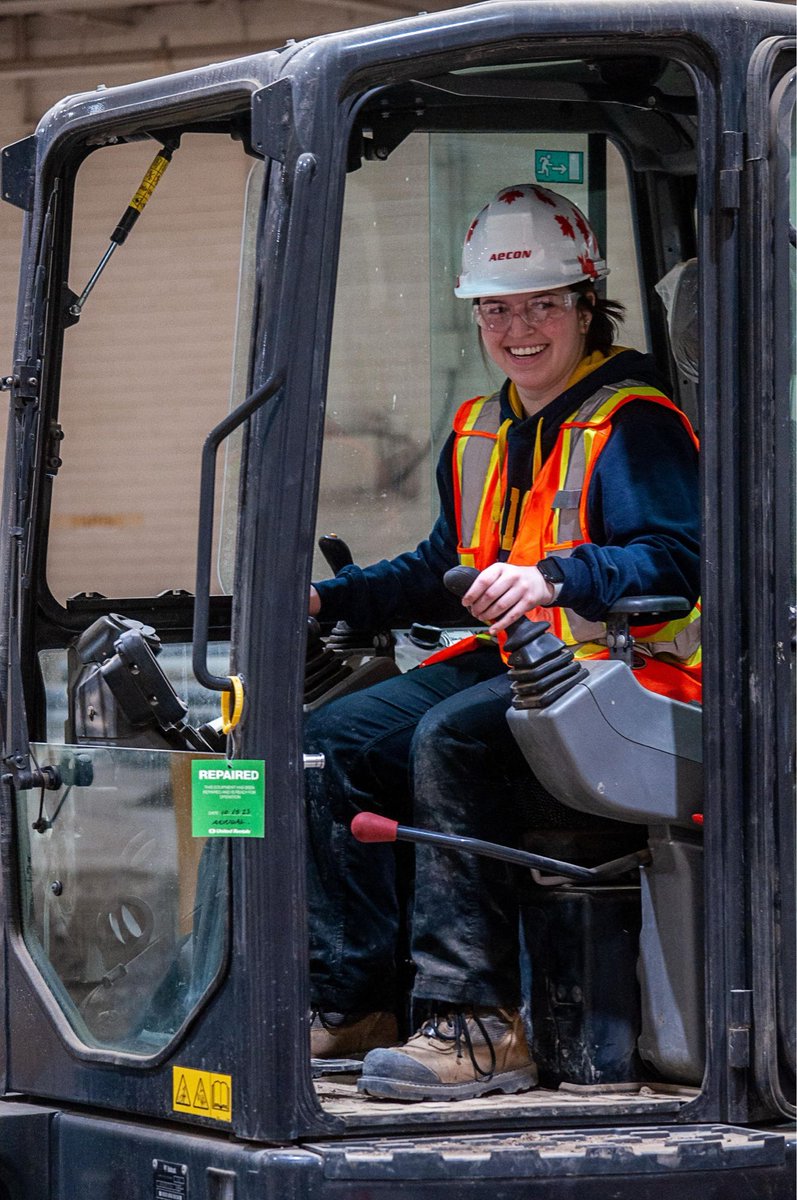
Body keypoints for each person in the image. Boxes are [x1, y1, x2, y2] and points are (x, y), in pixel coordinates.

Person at [304, 184, 701, 1102]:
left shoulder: (635, 422)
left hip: (620, 674)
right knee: (330, 743)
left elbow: (677, 562)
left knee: (454, 741)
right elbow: (447, 561)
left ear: (583, 304)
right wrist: (329, 601)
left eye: (541, 305)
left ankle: (478, 1022)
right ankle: (356, 997)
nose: (518, 327)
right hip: (516, 660)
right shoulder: (482, 426)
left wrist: (556, 577)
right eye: (497, 308)